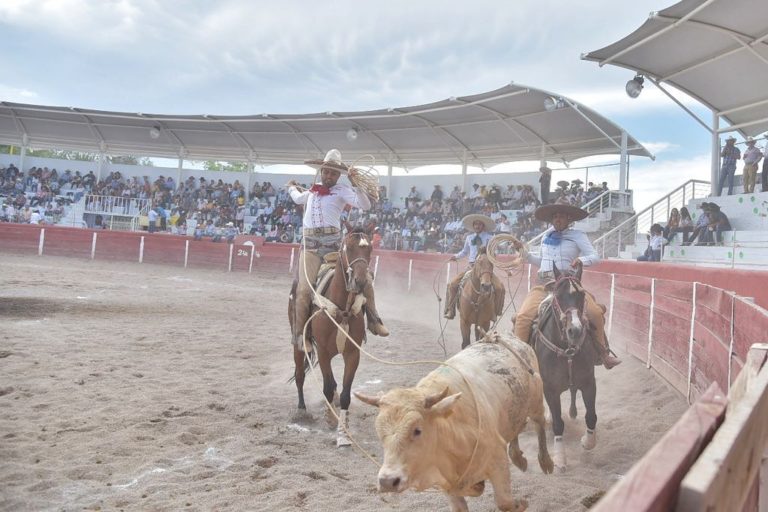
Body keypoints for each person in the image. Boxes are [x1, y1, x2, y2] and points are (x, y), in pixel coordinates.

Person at [287, 149, 388, 350]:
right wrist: (291, 188)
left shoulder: (342, 191)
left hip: (333, 245)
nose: (329, 176)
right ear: (322, 171)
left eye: (333, 173)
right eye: (326, 172)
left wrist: (354, 183)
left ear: (339, 175)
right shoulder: (312, 192)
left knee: (363, 276)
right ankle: (300, 336)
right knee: (304, 290)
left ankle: (374, 320)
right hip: (311, 247)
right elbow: (298, 198)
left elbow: (364, 205)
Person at [511, 203, 621, 369]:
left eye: (561, 216)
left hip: (568, 285)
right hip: (544, 283)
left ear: (569, 219)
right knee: (523, 317)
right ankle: (519, 360)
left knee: (596, 313)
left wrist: (581, 260)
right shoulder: (545, 237)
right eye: (555, 216)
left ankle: (604, 354)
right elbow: (541, 261)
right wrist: (525, 255)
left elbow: (595, 257)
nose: (558, 219)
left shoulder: (578, 235)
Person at [443, 214, 504, 320]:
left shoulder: (490, 238)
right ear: (473, 226)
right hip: (471, 267)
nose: (477, 226)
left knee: (499, 288)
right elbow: (464, 252)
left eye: (479, 224)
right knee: (452, 284)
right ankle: (451, 310)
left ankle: (495, 312)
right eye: (475, 224)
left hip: (485, 269)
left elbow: (495, 252)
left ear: (483, 226)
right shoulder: (469, 238)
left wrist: (488, 253)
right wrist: (455, 256)